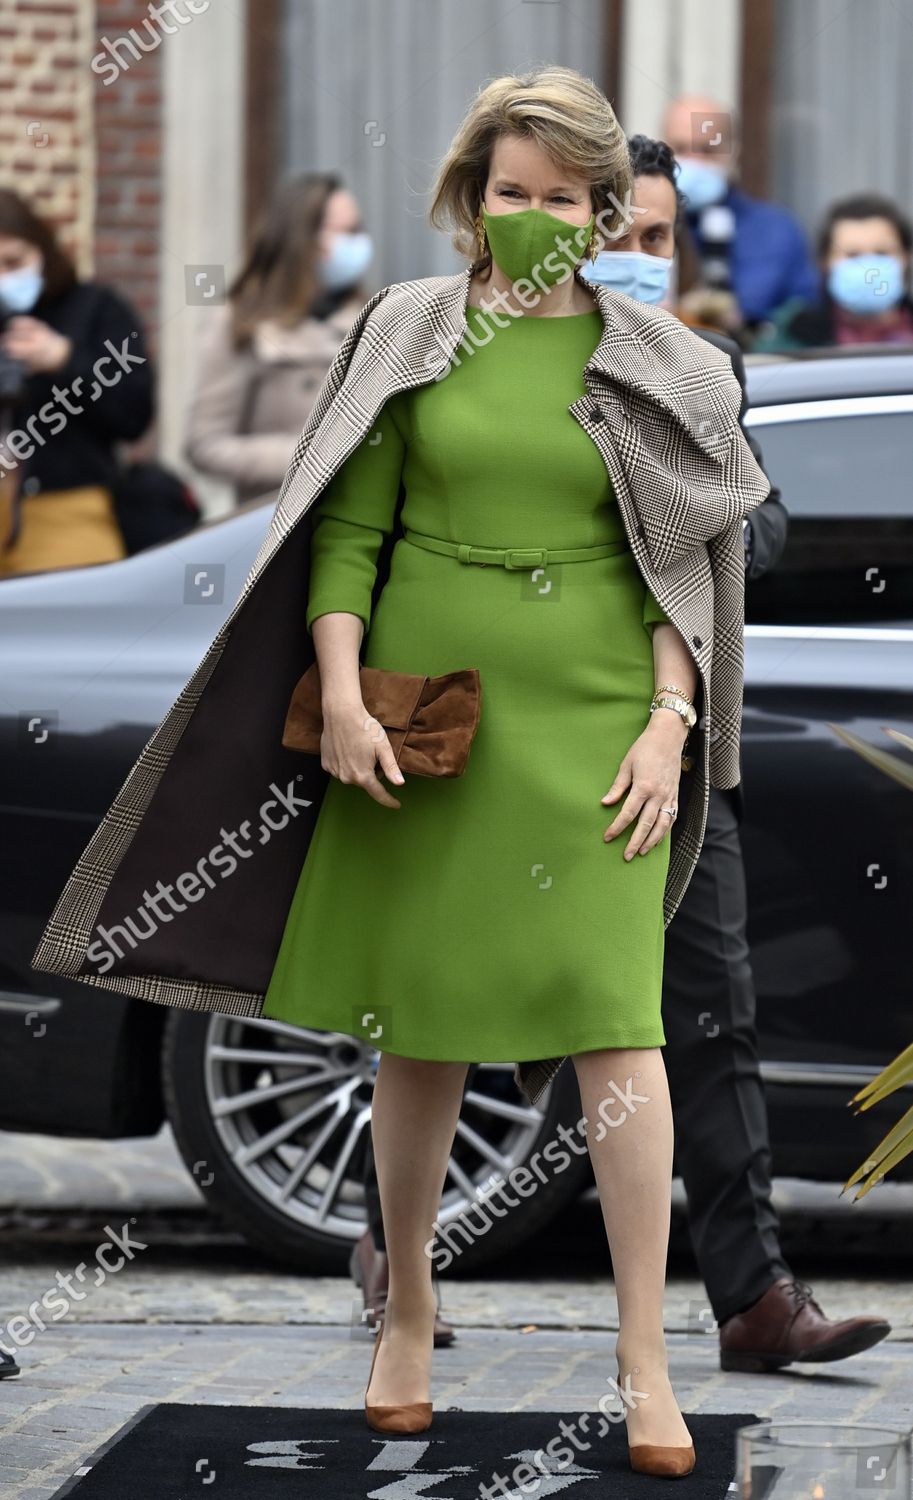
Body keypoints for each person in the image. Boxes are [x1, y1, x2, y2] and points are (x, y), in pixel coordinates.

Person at [32, 66, 772, 1478]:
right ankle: (409, 1313)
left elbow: (686, 565)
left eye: (566, 199)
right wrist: (336, 689)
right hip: (426, 710)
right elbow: (347, 529)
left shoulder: (664, 358)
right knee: (416, 1022)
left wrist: (671, 722)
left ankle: (644, 1360)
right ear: (470, 198)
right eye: (512, 193)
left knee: (621, 1027)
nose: (536, 218)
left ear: (606, 209)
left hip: (600, 715)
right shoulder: (406, 329)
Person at [353, 134, 891, 1381]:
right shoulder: (474, 345)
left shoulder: (703, 368)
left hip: (658, 736)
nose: (633, 257)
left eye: (657, 240)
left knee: (705, 1009)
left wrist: (673, 524)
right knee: (436, 993)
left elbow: (756, 543)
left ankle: (751, 1296)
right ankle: (396, 1266)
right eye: (620, 234)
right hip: (489, 717)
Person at [183, 173, 375, 507]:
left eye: (359, 230)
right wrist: (312, 455)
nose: (358, 244)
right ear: (304, 239)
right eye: (347, 232)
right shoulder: (239, 323)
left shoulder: (373, 317)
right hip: (270, 523)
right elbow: (205, 444)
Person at [0, 189, 153, 575]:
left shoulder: (95, 309)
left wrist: (65, 359)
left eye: (13, 262)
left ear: (43, 251)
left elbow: (135, 414)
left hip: (69, 511)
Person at [659, 95, 819, 330]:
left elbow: (804, 321)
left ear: (733, 153)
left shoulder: (778, 230)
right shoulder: (637, 227)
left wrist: (747, 326)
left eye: (707, 150)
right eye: (681, 149)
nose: (695, 161)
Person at [752, 193, 913, 352]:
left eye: (881, 253)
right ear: (825, 262)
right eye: (852, 255)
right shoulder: (791, 334)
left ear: (906, 257)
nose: (868, 268)